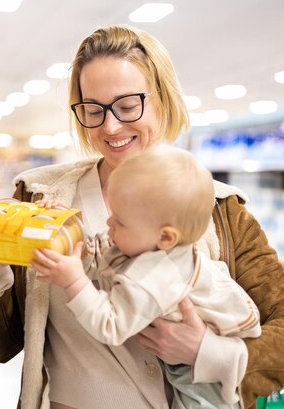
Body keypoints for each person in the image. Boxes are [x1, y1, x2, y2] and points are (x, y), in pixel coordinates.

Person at [0, 24, 284, 409]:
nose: (110, 126)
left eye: (128, 105)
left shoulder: (218, 210)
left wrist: (206, 350)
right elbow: (0, 347)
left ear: (162, 99)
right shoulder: (41, 199)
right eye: (92, 109)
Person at [30, 145, 262, 409]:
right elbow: (103, 258)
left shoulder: (156, 277)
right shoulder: (153, 245)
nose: (108, 224)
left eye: (119, 220)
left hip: (203, 383)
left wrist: (73, 282)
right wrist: (63, 224)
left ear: (165, 237)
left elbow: (111, 325)